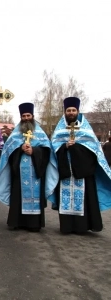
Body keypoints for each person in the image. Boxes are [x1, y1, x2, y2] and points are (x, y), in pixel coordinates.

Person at [0, 103, 58, 232]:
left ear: (33, 116)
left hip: (36, 172)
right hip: (19, 173)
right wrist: (19, 149)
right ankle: (17, 222)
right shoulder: (15, 134)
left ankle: (34, 224)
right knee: (18, 195)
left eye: (28, 115)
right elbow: (7, 154)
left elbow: (47, 152)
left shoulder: (40, 133)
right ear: (21, 117)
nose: (26, 118)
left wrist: (34, 151)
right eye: (24, 116)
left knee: (35, 195)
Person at [50, 97, 111, 234]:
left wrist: (77, 148)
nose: (71, 112)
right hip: (65, 172)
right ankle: (66, 227)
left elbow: (94, 150)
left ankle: (82, 227)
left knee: (84, 200)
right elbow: (53, 150)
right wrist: (65, 146)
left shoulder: (86, 130)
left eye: (73, 110)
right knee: (65, 199)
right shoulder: (59, 131)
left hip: (82, 173)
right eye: (68, 110)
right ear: (65, 112)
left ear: (78, 111)